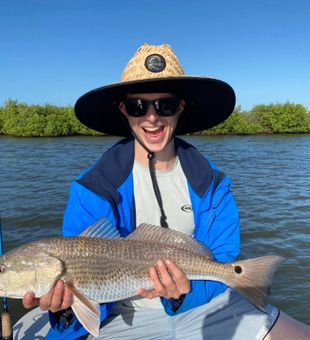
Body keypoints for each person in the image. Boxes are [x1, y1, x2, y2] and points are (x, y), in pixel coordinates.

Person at [23, 43, 310, 339]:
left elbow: (223, 253)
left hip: (204, 305)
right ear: (124, 110)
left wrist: (183, 294)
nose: (152, 117)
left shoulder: (213, 184)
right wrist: (64, 308)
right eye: (138, 106)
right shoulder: (91, 188)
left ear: (180, 108)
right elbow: (88, 298)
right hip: (123, 316)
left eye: (165, 105)